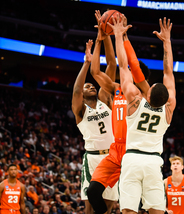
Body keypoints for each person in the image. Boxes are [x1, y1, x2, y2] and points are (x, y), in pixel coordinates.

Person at [109, 16, 176, 214]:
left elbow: (123, 66)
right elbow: (169, 71)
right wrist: (167, 43)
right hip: (154, 161)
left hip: (132, 159)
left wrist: (119, 37)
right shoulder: (168, 109)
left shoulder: (135, 100)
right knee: (156, 210)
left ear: (149, 92)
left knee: (129, 210)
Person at [87, 10, 150, 214]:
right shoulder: (116, 89)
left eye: (131, 72)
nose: (126, 72)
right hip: (116, 150)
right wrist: (100, 39)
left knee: (134, 203)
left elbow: (123, 62)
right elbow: (96, 72)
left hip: (135, 150)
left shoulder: (143, 95)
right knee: (93, 192)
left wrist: (120, 35)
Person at [71, 37, 117, 214]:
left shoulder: (104, 99)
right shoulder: (80, 111)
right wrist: (86, 63)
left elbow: (111, 65)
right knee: (90, 207)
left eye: (92, 85)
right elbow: (76, 90)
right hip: (93, 159)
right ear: (82, 95)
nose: (90, 86)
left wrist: (103, 38)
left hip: (112, 158)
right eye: (87, 86)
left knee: (108, 205)